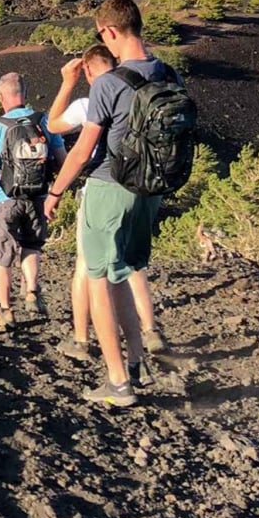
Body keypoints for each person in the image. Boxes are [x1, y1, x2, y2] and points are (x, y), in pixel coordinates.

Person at [44, 0, 187, 407]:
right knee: (123, 272)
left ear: (109, 32)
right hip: (151, 190)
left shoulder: (110, 83)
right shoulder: (169, 74)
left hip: (110, 186)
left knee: (98, 280)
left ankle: (118, 381)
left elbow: (82, 150)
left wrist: (55, 192)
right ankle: (136, 363)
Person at [47, 45, 167, 362]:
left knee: (88, 267)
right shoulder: (137, 95)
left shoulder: (90, 102)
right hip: (142, 187)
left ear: (87, 70)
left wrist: (67, 83)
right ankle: (150, 331)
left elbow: (53, 125)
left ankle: (82, 339)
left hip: (103, 188)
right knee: (133, 266)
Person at [0, 72, 66, 326]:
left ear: (1, 97)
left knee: (2, 254)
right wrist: (55, 195)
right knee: (32, 245)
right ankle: (31, 292)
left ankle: (6, 310)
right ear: (25, 94)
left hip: (5, 199)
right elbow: (64, 161)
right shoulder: (44, 120)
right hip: (38, 197)